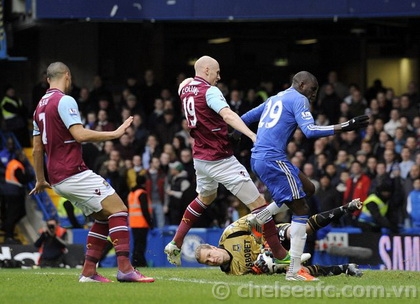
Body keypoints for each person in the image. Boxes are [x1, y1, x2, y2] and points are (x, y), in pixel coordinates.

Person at [29, 62, 154, 283]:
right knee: (119, 210)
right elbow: (79, 134)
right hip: (72, 171)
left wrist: (40, 179)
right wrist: (114, 134)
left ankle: (88, 272)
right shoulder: (65, 100)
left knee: (103, 217)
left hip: (56, 177)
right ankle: (125, 269)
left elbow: (37, 148)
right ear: (67, 76)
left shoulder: (39, 107)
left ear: (48, 79)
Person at [240, 71, 369, 280]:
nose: (313, 95)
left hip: (259, 159)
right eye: (312, 89)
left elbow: (245, 118)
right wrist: (345, 126)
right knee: (301, 209)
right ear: (301, 84)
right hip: (273, 159)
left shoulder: (275, 98)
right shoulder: (299, 99)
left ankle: (261, 218)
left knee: (308, 188)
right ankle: (294, 269)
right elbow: (309, 131)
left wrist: (236, 134)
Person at [164, 55, 289, 269]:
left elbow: (185, 82)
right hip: (220, 159)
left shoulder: (185, 88)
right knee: (259, 204)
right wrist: (252, 136)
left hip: (200, 158)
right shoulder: (211, 91)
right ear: (206, 70)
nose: (219, 77)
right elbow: (228, 115)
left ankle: (175, 242)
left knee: (206, 196)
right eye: (217, 72)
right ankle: (280, 254)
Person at [195, 199, 363, 276]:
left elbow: (257, 218)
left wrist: (267, 245)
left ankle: (345, 208)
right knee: (299, 271)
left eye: (209, 255)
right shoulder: (232, 272)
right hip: (274, 262)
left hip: (271, 236)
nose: (212, 260)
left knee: (300, 230)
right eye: (208, 262)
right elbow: (256, 273)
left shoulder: (229, 234)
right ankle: (345, 268)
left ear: (213, 247)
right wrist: (259, 268)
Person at [2, 150, 30, 244]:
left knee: (20, 213)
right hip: (15, 193)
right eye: (23, 156)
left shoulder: (12, 163)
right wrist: (31, 177)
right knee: (13, 214)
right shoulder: (17, 165)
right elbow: (22, 179)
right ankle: (8, 235)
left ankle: (7, 228)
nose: (25, 158)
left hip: (10, 192)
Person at [127, 174, 153, 267]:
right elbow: (145, 210)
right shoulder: (142, 193)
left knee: (136, 244)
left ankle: (135, 262)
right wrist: (150, 223)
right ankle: (141, 263)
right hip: (142, 223)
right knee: (141, 245)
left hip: (133, 223)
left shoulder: (131, 193)